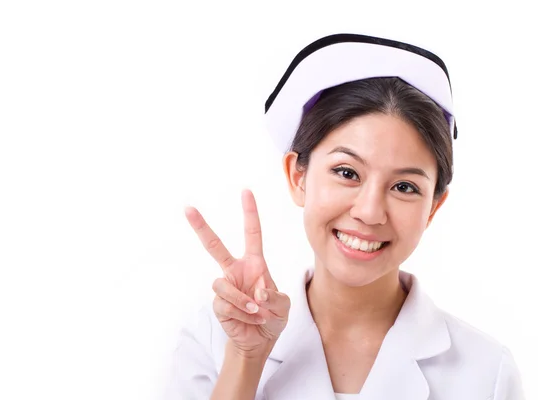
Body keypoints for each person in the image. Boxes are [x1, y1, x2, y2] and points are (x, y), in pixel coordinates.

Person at [164, 34, 525, 399]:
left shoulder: (486, 374)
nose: (369, 213)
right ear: (298, 176)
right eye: (347, 172)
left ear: (432, 207)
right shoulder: (212, 339)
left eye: (404, 187)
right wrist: (246, 358)